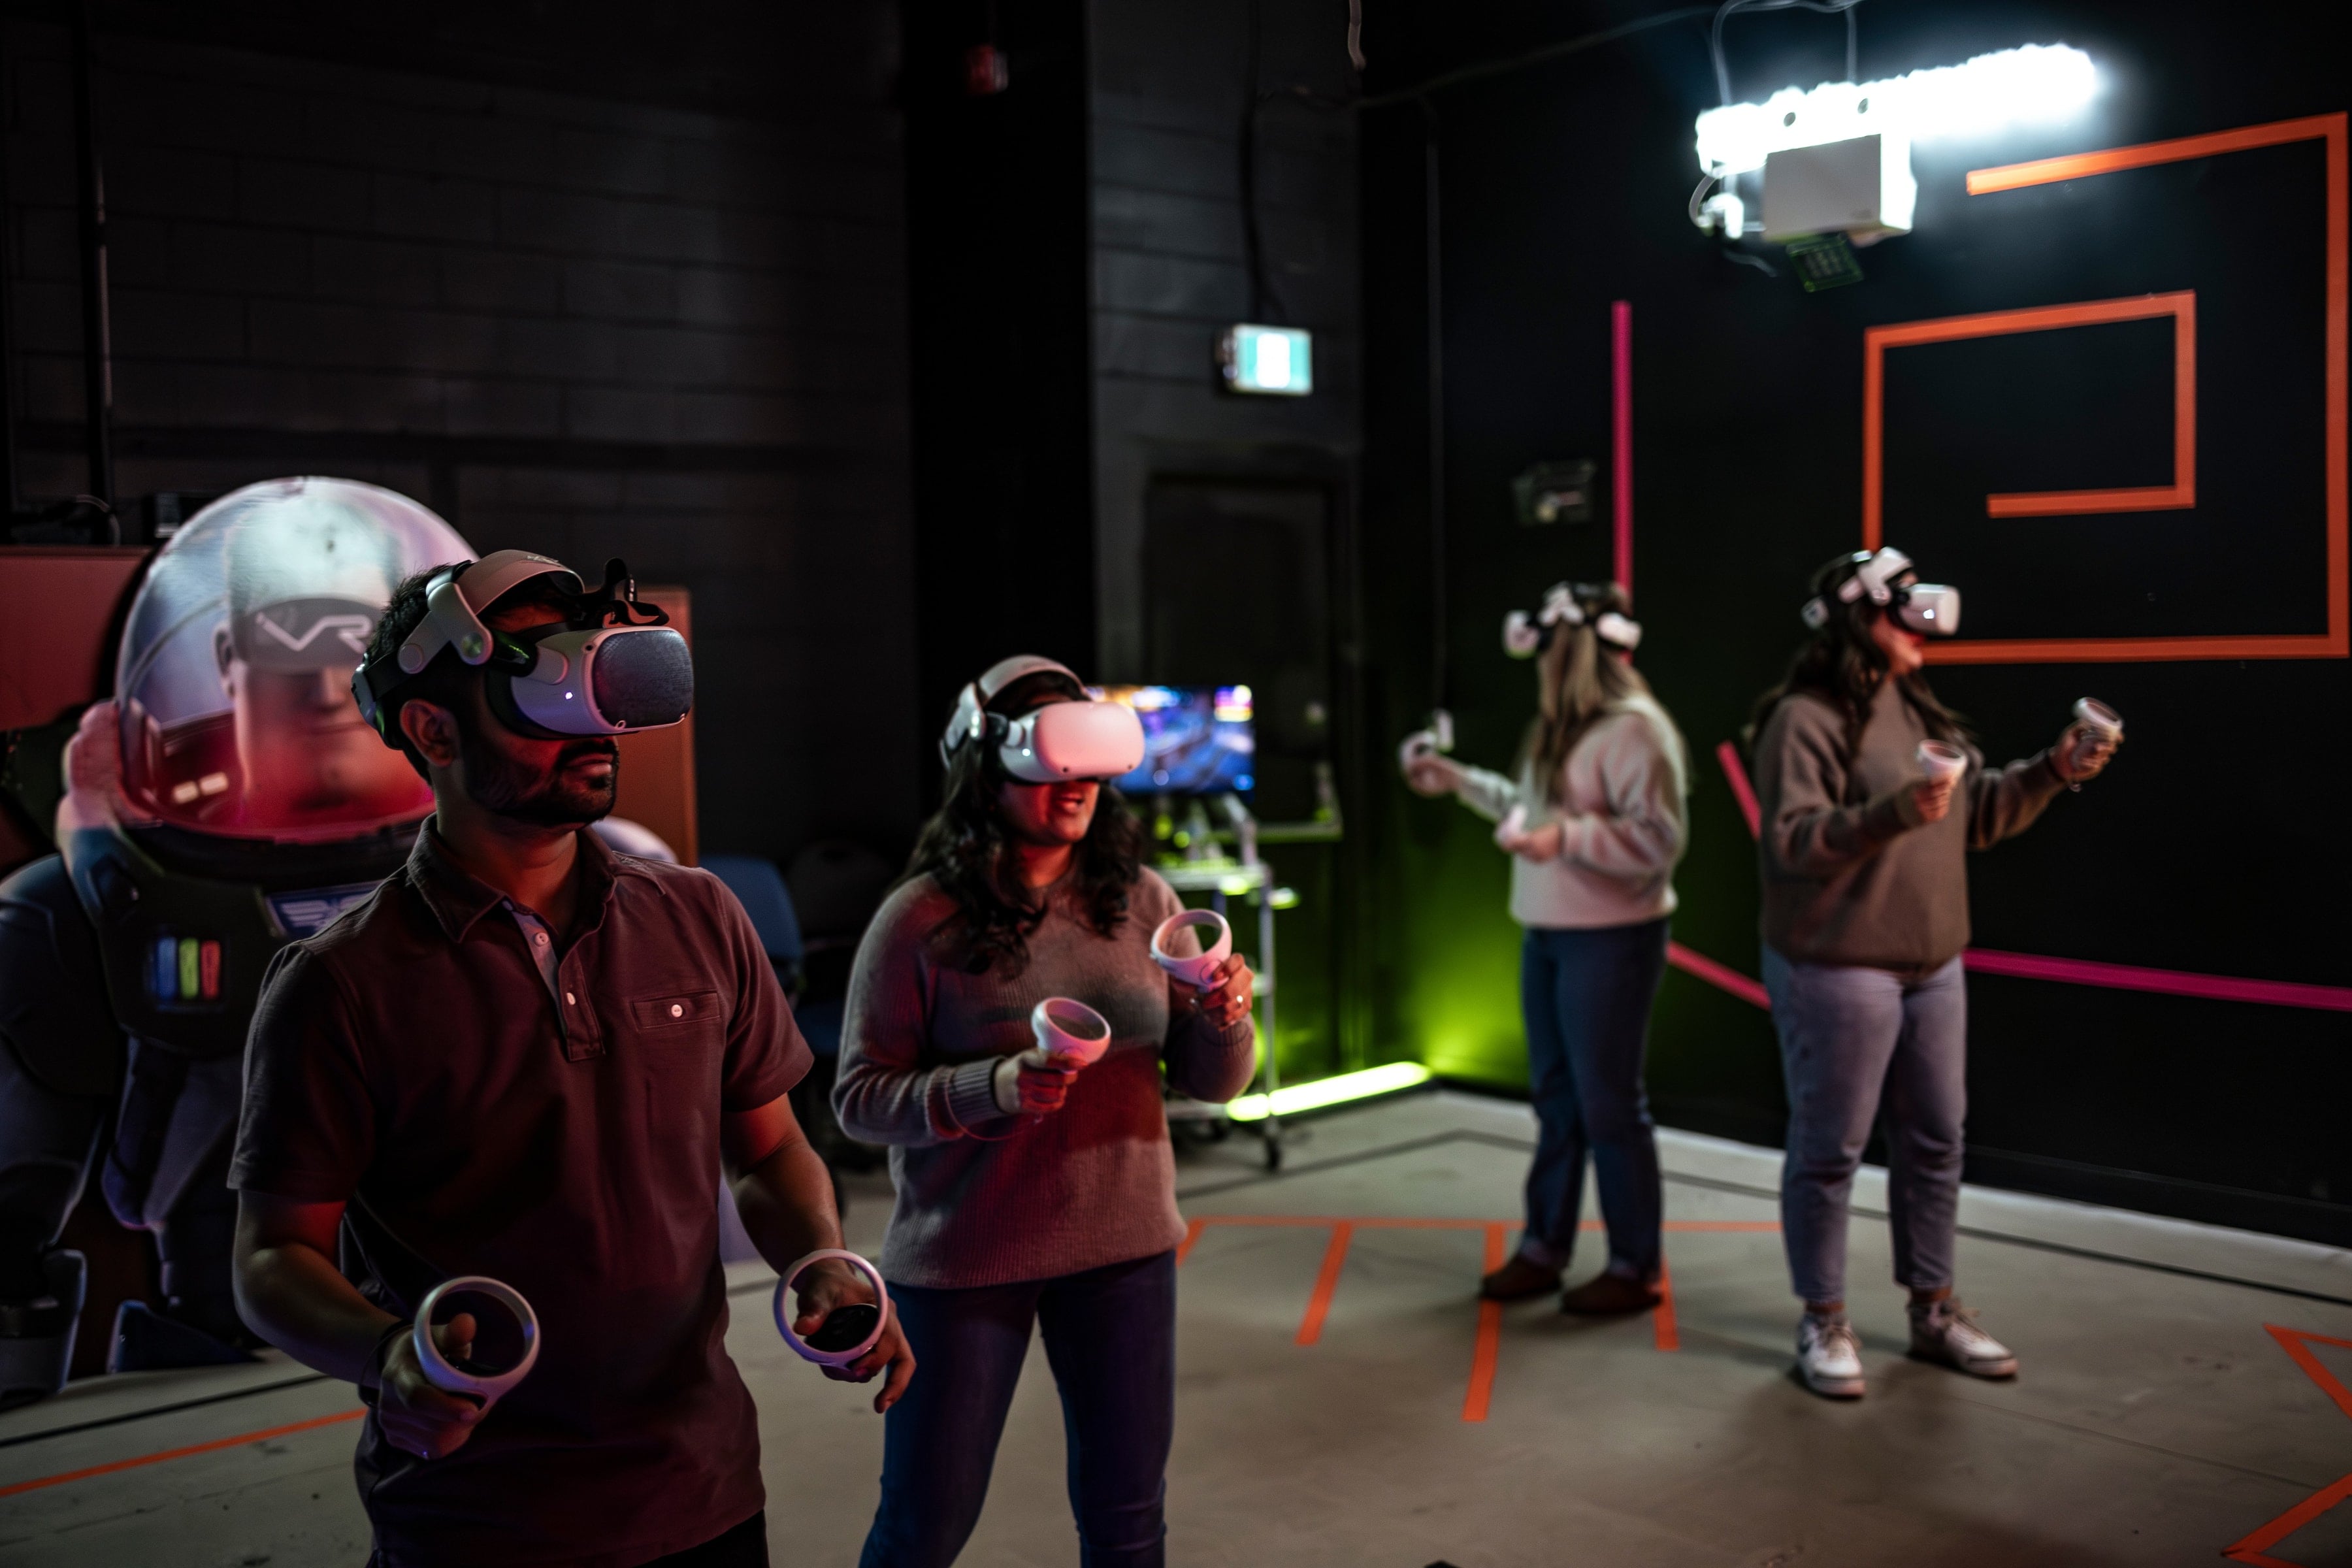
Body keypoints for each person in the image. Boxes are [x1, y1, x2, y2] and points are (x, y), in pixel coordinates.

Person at [229, 550, 912, 1568]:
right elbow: (271, 1257)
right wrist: (387, 1355)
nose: (594, 727)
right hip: (478, 1522)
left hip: (705, 1494)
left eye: (601, 687)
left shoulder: (698, 916)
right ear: (433, 730)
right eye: (545, 694)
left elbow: (771, 1154)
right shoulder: (342, 983)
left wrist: (819, 1262)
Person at [0, 478, 474, 1400]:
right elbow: (14, 1223)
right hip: (211, 1374)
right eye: (289, 635)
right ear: (227, 654)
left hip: (478, 1335)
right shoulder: (67, 913)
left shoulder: (543, 874)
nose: (328, 684)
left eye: (356, 643)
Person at [833, 655, 1258, 1568]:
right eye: (1048, 761)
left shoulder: (1143, 902)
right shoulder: (919, 921)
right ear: (984, 767)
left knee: (1128, 1523)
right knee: (923, 1528)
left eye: (1088, 764)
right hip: (968, 1258)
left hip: (1126, 1250)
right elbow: (860, 1101)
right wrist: (992, 1087)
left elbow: (1212, 1085)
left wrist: (1225, 1015)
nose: (1075, 786)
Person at [1747, 547, 2116, 1399]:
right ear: (1861, 618)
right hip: (1840, 965)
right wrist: (1892, 813)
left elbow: (1975, 816)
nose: (1923, 622)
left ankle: (1934, 1311)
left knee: (1937, 1140)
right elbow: (1793, 842)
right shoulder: (1805, 718)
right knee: (1830, 1150)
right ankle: (1823, 1318)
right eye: (1903, 606)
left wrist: (2053, 770)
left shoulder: (1916, 705)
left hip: (1934, 963)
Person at [1401, 582, 1688, 1313]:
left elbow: (1659, 840)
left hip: (1612, 940)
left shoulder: (1637, 730)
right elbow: (1528, 810)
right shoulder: (1556, 727)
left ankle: (1635, 1266)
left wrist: (1565, 839)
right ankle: (1544, 1248)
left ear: (1571, 650)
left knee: (1609, 1105)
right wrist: (1460, 781)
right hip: (1549, 934)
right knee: (1557, 1101)